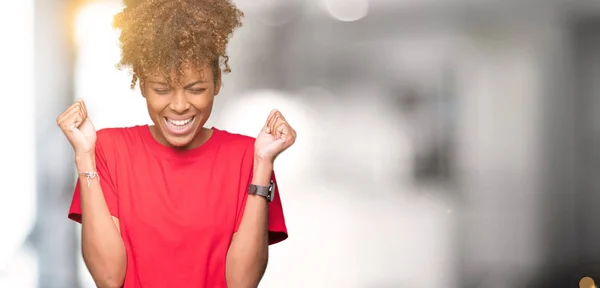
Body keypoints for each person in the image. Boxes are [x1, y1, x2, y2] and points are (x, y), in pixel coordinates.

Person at [55, 0, 296, 287]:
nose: (180, 105)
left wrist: (263, 165)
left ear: (217, 83)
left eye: (196, 89)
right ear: (142, 85)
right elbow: (108, 278)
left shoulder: (249, 156)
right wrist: (84, 157)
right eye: (162, 89)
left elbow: (242, 283)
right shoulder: (108, 149)